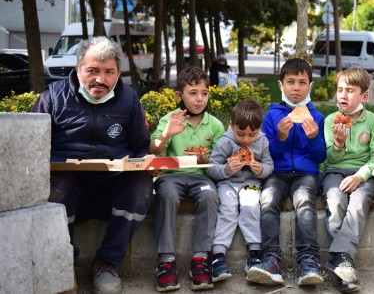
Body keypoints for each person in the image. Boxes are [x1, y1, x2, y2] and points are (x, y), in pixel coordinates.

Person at [31, 36, 154, 294]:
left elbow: (141, 145)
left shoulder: (129, 99)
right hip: (66, 187)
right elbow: (32, 147)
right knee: (59, 185)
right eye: (93, 71)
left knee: (141, 183)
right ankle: (64, 265)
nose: (101, 79)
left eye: (109, 72)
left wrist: (144, 162)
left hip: (112, 188)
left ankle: (107, 264)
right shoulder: (52, 98)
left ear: (118, 73)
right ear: (78, 70)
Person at [246, 58, 327, 286]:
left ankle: (309, 259)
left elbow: (320, 157)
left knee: (304, 201)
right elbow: (266, 153)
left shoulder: (317, 117)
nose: (296, 88)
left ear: (310, 87)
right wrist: (280, 137)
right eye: (290, 82)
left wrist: (313, 139)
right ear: (281, 85)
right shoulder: (271, 117)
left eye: (302, 83)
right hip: (277, 172)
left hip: (305, 174)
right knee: (268, 199)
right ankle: (270, 257)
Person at [149, 66, 225, 292]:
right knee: (167, 195)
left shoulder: (215, 125)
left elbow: (219, 157)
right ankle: (166, 261)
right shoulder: (170, 120)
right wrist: (167, 134)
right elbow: (153, 150)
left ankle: (200, 259)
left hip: (201, 177)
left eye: (204, 93)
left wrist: (206, 157)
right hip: (172, 176)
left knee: (210, 195)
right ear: (179, 95)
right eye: (193, 93)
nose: (199, 98)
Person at [320, 67, 374, 292]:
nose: (343, 95)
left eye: (350, 90)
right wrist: (338, 144)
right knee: (335, 201)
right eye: (339, 90)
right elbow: (328, 157)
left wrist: (360, 176)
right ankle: (345, 265)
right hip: (334, 171)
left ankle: (340, 260)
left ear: (364, 96)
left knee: (357, 205)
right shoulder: (330, 120)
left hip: (364, 174)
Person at [206, 99, 274, 282]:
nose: (246, 140)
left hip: (251, 183)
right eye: (240, 133)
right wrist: (227, 170)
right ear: (232, 125)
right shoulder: (226, 142)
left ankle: (254, 253)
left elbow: (269, 165)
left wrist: (262, 170)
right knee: (227, 208)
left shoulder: (262, 141)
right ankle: (218, 255)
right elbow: (211, 167)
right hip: (227, 184)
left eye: (252, 134)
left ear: (259, 128)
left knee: (251, 207)